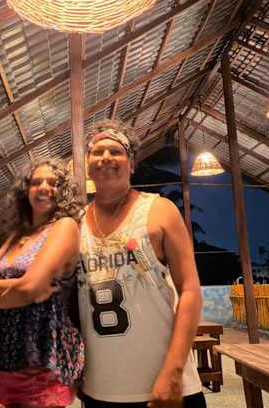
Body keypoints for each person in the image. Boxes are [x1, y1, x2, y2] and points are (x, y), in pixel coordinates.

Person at [77, 121, 205, 408]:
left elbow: (191, 291)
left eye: (116, 151)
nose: (106, 157)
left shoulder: (159, 210)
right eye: (97, 152)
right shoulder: (75, 224)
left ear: (132, 163)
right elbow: (73, 301)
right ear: (87, 166)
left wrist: (174, 370)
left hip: (165, 386)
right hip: (101, 387)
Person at [0, 158, 85, 408]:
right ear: (26, 190)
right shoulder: (18, 234)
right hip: (10, 347)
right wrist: (19, 287)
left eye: (52, 183)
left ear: (63, 191)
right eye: (36, 182)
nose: (44, 187)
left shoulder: (64, 227)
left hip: (43, 347)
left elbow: (29, 289)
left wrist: (0, 294)